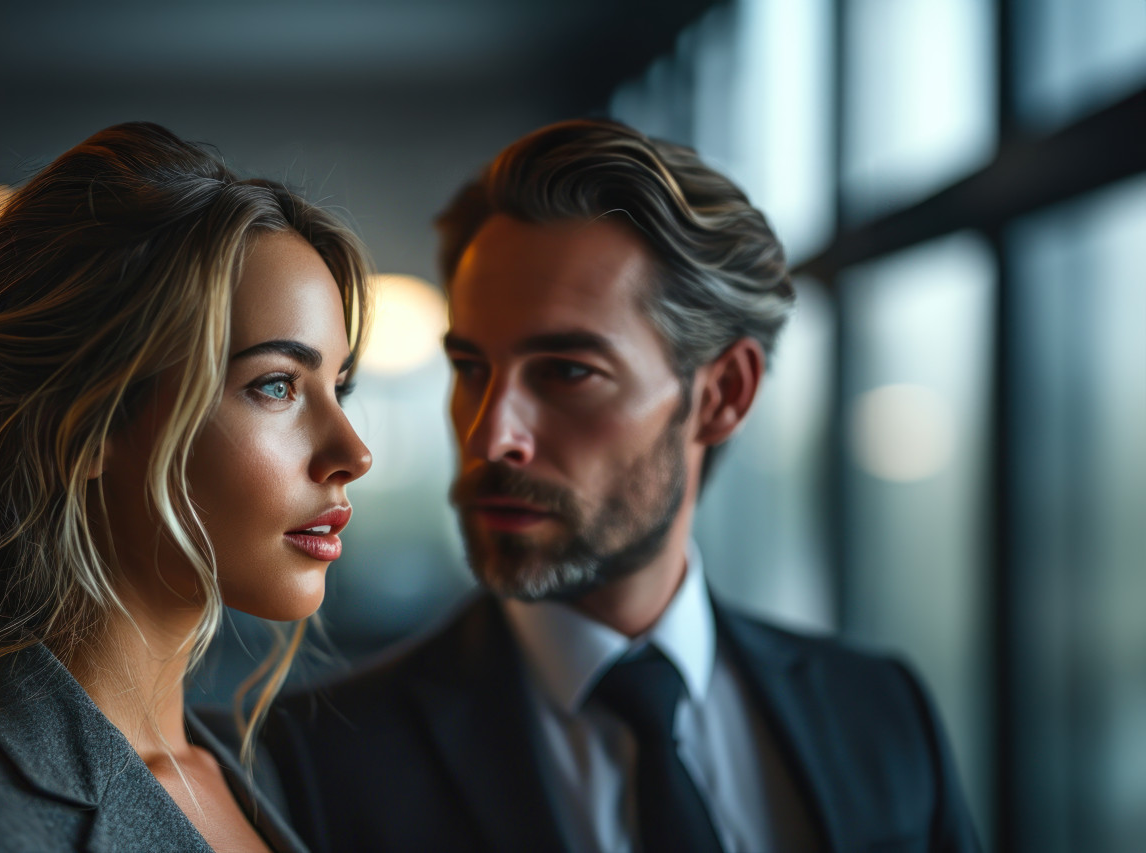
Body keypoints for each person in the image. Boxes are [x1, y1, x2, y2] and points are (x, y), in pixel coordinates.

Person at [240, 118, 981, 853]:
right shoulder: (313, 761)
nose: (491, 435)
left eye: (567, 372)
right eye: (471, 369)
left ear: (723, 393)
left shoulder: (880, 711)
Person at [0, 122, 372, 852]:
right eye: (276, 385)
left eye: (338, 386)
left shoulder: (245, 774)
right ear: (90, 422)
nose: (352, 452)